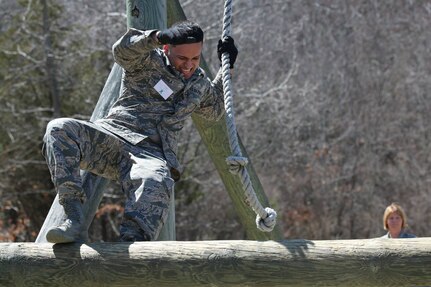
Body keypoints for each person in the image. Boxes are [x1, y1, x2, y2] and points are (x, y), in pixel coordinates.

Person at [42, 20, 238, 243]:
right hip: (112, 139)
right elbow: (121, 51)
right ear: (167, 48)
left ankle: (132, 246)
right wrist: (156, 37)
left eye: (195, 58)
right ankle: (72, 219)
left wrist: (227, 68)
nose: (188, 65)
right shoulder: (147, 60)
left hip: (151, 155)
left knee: (156, 178)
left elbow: (215, 110)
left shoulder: (199, 84)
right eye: (182, 58)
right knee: (58, 128)